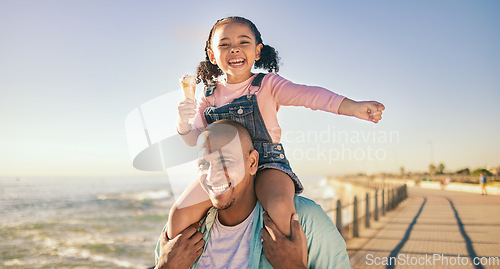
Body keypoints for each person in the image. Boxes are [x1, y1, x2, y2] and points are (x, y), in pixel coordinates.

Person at [171, 16, 385, 264]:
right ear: (211, 55)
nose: (235, 49)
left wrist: (353, 107)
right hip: (221, 170)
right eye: (224, 44)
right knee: (179, 214)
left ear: (257, 51)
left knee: (281, 207)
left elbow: (310, 96)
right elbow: (194, 141)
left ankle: (289, 260)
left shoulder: (267, 85)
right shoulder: (208, 96)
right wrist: (182, 123)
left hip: (267, 163)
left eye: (243, 41)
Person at [154, 120, 351, 268]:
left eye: (226, 162)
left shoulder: (304, 220)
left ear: (252, 163)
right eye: (204, 164)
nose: (212, 176)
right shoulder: (181, 236)